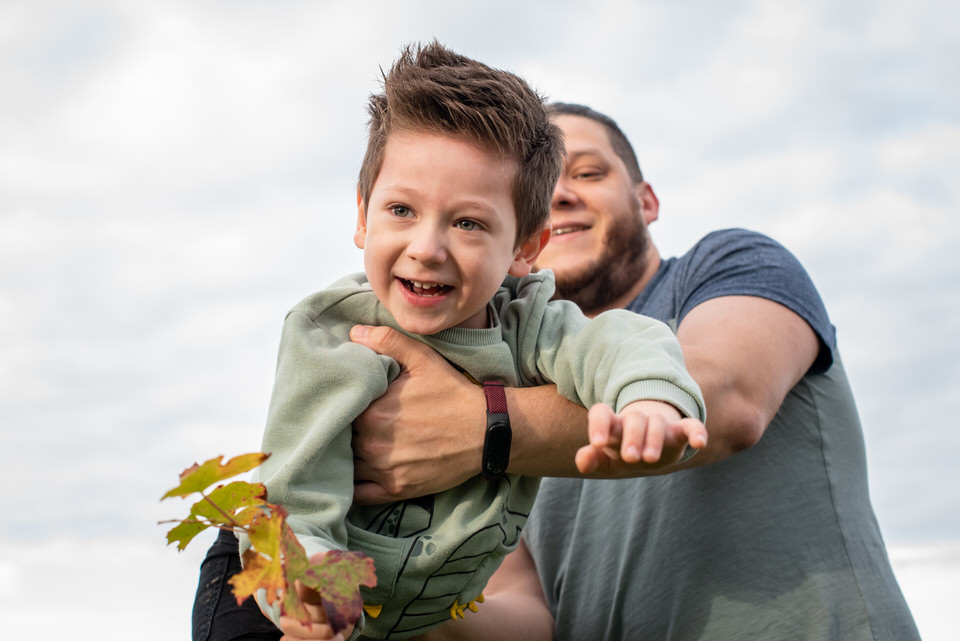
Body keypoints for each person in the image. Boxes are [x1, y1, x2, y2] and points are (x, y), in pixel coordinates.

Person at [348, 104, 922, 640]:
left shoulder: (727, 263)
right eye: (538, 189)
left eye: (590, 173)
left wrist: (481, 429)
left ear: (646, 200)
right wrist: (387, 605)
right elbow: (528, 612)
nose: (560, 196)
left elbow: (726, 397)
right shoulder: (494, 371)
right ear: (521, 236)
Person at [192, 48, 708, 641]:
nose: (427, 247)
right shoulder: (336, 336)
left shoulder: (527, 325)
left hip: (403, 619)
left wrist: (647, 400)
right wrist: (309, 594)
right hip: (279, 572)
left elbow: (616, 341)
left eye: (468, 223)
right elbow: (297, 495)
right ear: (363, 217)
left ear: (525, 248)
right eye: (401, 210)